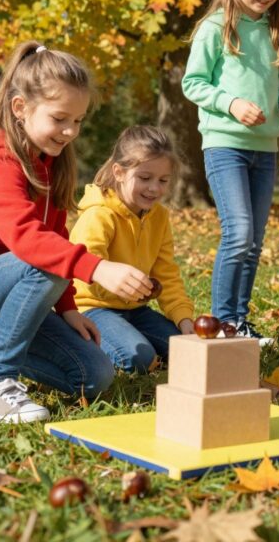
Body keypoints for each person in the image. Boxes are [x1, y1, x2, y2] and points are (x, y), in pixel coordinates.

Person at [0, 42, 135, 423]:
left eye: (79, 120)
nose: (71, 130)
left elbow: (55, 234)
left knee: (94, 375)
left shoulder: (52, 164)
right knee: (47, 261)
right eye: (60, 118)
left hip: (12, 289)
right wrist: (97, 269)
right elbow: (28, 239)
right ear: (20, 108)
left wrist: (69, 308)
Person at [182, 0, 279, 345]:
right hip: (224, 144)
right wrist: (231, 104)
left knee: (254, 241)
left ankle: (239, 321)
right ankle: (220, 323)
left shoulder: (277, 34)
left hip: (264, 149)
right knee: (239, 232)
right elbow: (192, 83)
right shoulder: (215, 29)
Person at [70, 126, 195, 372]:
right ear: (119, 172)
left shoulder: (158, 216)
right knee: (137, 357)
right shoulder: (99, 214)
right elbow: (82, 270)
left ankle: (131, 336)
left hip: (135, 310)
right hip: (92, 308)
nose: (154, 188)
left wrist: (183, 317)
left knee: (187, 349)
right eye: (145, 178)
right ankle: (88, 341)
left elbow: (166, 273)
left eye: (163, 181)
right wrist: (119, 286)